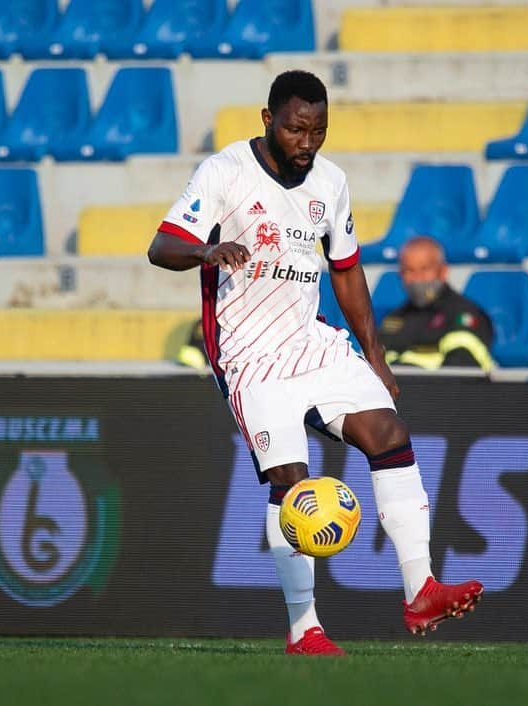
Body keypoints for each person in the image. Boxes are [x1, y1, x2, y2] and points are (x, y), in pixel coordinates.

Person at [147, 70, 483, 656]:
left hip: (311, 340)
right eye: (297, 129)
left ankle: (420, 588)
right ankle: (305, 629)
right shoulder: (225, 172)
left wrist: (375, 356)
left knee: (389, 432)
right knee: (290, 483)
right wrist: (207, 248)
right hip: (248, 354)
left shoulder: (330, 182)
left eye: (319, 130)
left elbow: (346, 269)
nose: (308, 142)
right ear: (268, 120)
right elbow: (161, 246)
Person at [380, 236, 496, 373]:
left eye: (425, 269)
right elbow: (379, 369)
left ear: (443, 271)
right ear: (400, 274)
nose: (417, 278)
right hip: (404, 392)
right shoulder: (394, 320)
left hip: (450, 393)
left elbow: (462, 367)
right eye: (409, 270)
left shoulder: (464, 314)